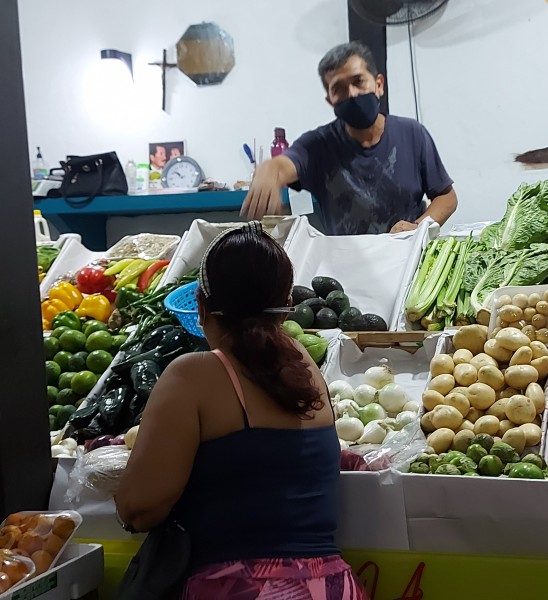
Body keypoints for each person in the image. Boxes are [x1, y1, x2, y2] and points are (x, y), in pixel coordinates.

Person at [115, 222, 367, 599]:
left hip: (240, 587)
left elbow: (140, 509)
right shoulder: (305, 364)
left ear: (200, 306)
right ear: (286, 308)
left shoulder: (192, 376)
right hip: (330, 587)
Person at [241, 41, 458, 235]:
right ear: (330, 100)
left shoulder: (412, 134)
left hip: (407, 259)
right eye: (339, 88)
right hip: (346, 266)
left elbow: (447, 198)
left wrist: (419, 228)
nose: (352, 94)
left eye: (358, 81)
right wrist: (269, 170)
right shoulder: (318, 145)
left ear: (379, 84)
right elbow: (285, 165)